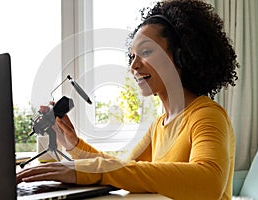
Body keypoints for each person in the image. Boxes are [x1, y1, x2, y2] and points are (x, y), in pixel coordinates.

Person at [17, 0, 239, 199]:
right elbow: (123, 167)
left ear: (182, 55)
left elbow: (209, 182)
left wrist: (95, 169)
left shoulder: (207, 115)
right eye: (132, 56)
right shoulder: (159, 126)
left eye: (146, 52)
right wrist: (73, 144)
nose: (133, 66)